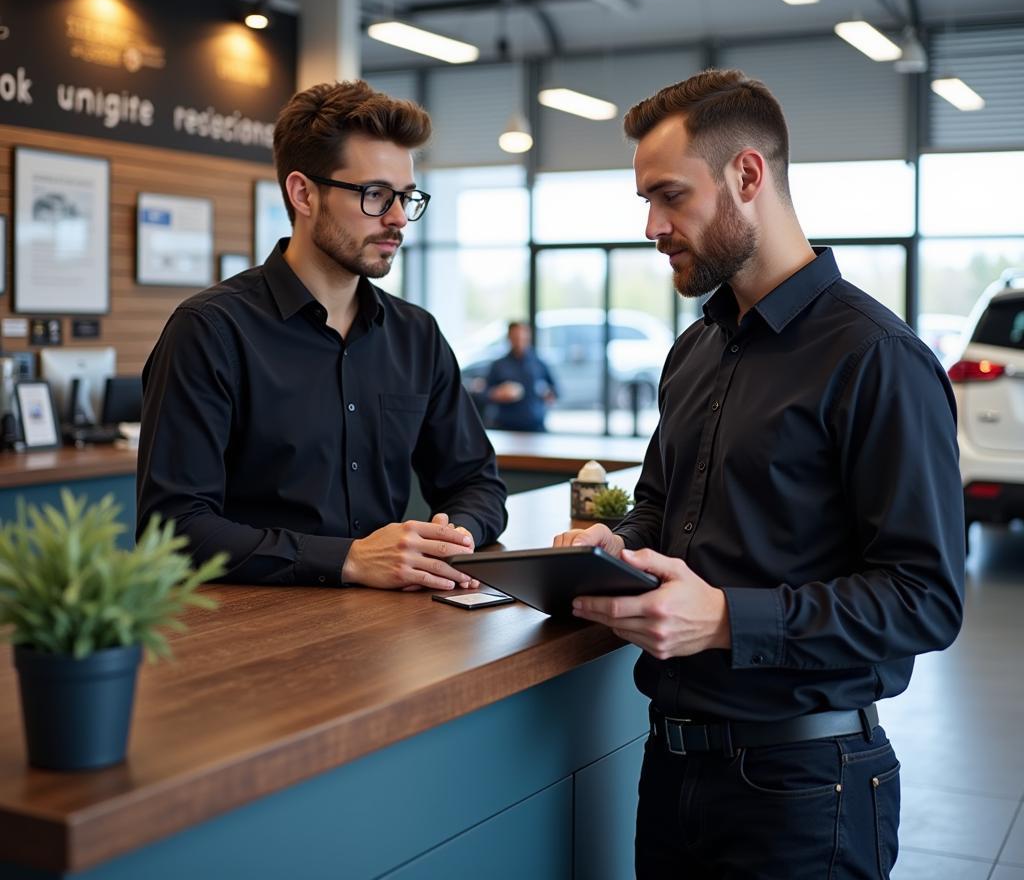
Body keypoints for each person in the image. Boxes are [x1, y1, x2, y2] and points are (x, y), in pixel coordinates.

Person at [553, 69, 965, 878]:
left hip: (807, 792)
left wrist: (728, 620)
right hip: (671, 772)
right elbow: (661, 508)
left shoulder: (878, 359)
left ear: (747, 175)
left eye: (670, 196)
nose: (651, 226)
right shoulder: (694, 350)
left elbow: (926, 599)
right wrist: (616, 544)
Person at [137, 80, 507, 590]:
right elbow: (173, 532)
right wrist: (347, 559)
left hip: (386, 633)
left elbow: (476, 484)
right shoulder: (210, 331)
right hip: (251, 639)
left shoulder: (416, 335)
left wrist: (451, 537)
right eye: (376, 195)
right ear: (303, 193)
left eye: (406, 197)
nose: (399, 219)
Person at [483, 321, 558, 432]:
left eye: (523, 337)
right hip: (505, 426)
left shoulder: (539, 363)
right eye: (515, 337)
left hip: (535, 426)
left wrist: (549, 394)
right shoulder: (498, 365)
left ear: (528, 337)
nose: (519, 341)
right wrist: (498, 394)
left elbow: (556, 390)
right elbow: (485, 393)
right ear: (509, 338)